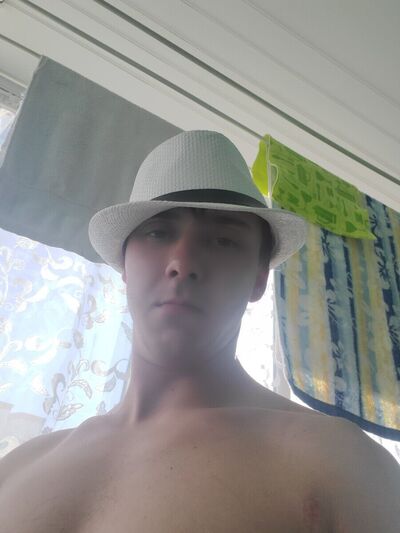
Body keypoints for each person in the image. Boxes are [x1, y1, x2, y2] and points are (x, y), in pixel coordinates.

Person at [1, 130, 399, 532]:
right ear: (124, 265)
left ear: (259, 279)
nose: (183, 262)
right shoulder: (16, 468)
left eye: (223, 240)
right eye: (158, 232)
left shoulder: (339, 462)